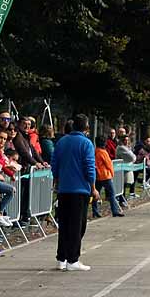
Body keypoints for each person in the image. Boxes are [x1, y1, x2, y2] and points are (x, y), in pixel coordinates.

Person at [51, 115, 99, 271]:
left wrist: (57, 181)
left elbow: (55, 164)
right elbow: (89, 168)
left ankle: (62, 257)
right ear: (86, 128)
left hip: (64, 189)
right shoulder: (86, 143)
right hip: (80, 190)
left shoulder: (61, 142)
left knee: (64, 224)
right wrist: (93, 188)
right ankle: (73, 259)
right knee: (78, 226)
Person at [92, 131, 123, 218]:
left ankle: (95, 211)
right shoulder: (103, 152)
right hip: (105, 176)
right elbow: (108, 164)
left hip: (98, 176)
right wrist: (112, 174)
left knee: (96, 194)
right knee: (112, 194)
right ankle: (115, 210)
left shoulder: (95, 151)